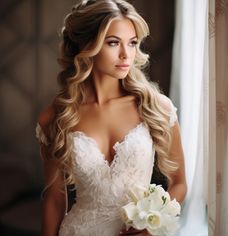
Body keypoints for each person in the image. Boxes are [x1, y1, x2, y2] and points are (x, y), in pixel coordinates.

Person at [36, 0, 187, 235]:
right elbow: (55, 200)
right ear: (87, 45)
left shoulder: (155, 108)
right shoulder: (58, 116)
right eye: (113, 43)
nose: (126, 54)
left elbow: (179, 183)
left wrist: (150, 226)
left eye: (133, 43)